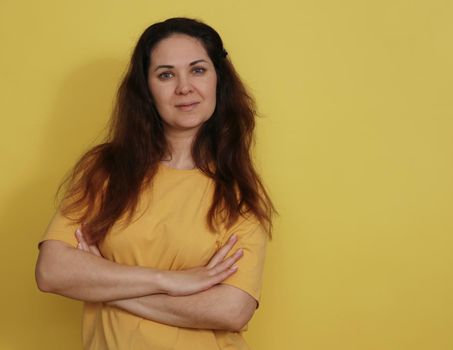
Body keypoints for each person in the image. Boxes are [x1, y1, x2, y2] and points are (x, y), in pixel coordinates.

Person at [35, 17, 275, 350]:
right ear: (146, 89)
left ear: (218, 80)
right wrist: (171, 281)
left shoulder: (238, 192)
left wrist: (105, 281)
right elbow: (52, 272)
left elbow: (231, 310)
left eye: (198, 70)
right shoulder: (105, 170)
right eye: (166, 74)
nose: (184, 87)